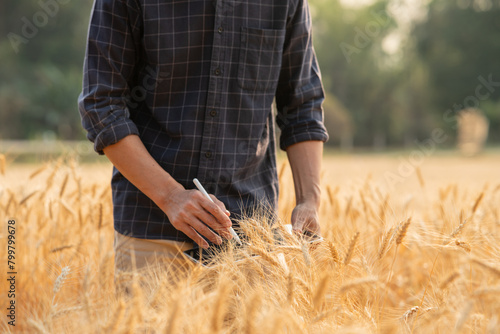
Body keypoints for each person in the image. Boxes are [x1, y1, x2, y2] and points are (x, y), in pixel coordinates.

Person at [78, 0, 329, 274]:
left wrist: (309, 200)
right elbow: (102, 105)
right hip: (153, 232)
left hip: (252, 237)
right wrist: (170, 197)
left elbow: (302, 106)